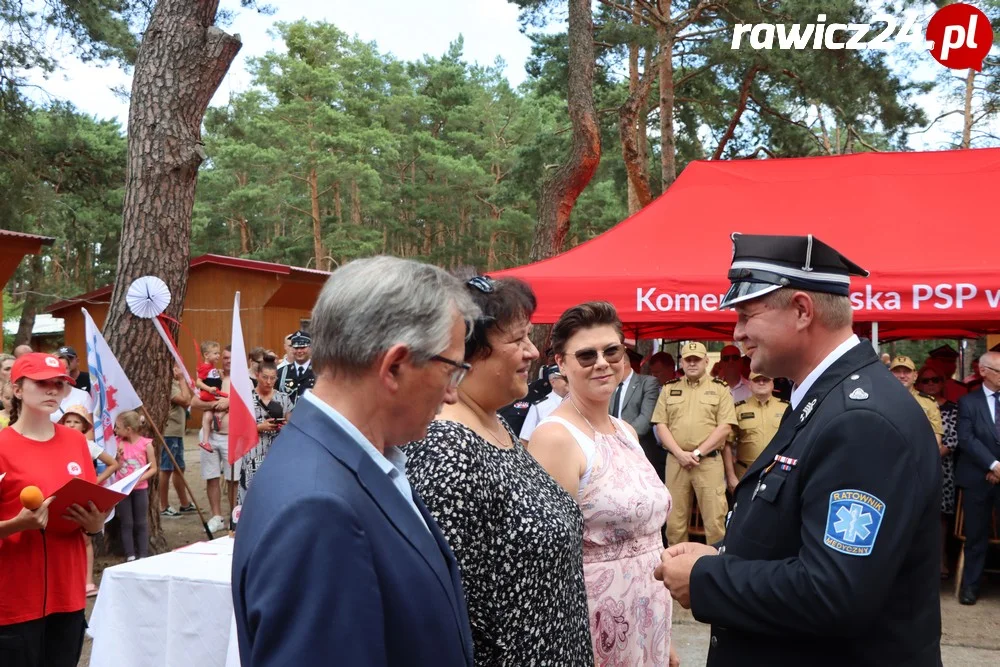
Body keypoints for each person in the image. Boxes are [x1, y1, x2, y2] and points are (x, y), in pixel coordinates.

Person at [655, 233, 942, 666]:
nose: (738, 334)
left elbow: (834, 592)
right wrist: (722, 554)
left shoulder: (859, 421)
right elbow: (796, 536)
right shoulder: (827, 398)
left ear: (803, 311)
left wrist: (707, 578)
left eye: (747, 314)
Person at [232, 256, 478, 667]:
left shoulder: (342, 463)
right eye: (452, 369)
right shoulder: (316, 508)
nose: (452, 394)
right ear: (395, 366)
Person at [403, 275, 593, 666]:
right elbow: (447, 611)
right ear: (466, 352)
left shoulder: (495, 424)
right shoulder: (447, 450)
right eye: (517, 340)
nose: (532, 353)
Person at [528, 302, 676, 667]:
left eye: (611, 351)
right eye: (586, 354)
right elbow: (550, 560)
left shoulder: (625, 431)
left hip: (651, 611)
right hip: (597, 622)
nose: (601, 362)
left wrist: (662, 635)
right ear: (561, 363)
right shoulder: (555, 438)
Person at [0, 353, 109, 667]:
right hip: (15, 598)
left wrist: (95, 524)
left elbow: (91, 509)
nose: (52, 390)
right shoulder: (3, 445)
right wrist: (17, 524)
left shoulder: (76, 442)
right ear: (17, 389)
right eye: (42, 382)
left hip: (68, 593)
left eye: (59, 383)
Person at [652, 341, 736, 546]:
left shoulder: (720, 389)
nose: (692, 363)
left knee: (715, 520)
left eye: (696, 359)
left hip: (707, 462)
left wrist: (697, 453)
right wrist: (679, 453)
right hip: (676, 461)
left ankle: (714, 568)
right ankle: (676, 568)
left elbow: (725, 427)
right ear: (681, 362)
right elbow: (661, 425)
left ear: (706, 361)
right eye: (688, 359)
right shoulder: (669, 389)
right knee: (674, 522)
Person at [58, 405, 119, 597]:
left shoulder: (88, 445)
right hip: (63, 496)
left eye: (76, 422)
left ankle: (87, 582)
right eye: (68, 421)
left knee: (85, 539)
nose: (71, 425)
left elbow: (113, 463)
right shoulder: (56, 443)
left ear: (84, 426)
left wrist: (95, 481)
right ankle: (67, 582)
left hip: (84, 497)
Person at [955, 351, 1000, 606]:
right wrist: (992, 465)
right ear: (984, 371)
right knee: (975, 536)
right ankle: (970, 587)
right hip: (977, 478)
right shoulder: (968, 402)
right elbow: (966, 438)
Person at [915, 365, 959, 579]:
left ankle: (941, 559)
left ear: (943, 383)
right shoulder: (912, 404)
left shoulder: (953, 408)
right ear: (918, 383)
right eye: (926, 381)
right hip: (914, 469)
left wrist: (926, 458)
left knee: (941, 518)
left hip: (943, 469)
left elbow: (951, 441)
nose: (931, 384)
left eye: (935, 380)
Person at [237, 360, 292, 507]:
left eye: (272, 378)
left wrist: (284, 426)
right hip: (252, 453)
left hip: (276, 453)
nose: (269, 382)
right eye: (265, 377)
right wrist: (260, 427)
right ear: (257, 375)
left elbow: (292, 425)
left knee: (275, 491)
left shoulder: (283, 398)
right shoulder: (246, 399)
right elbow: (238, 428)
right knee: (250, 492)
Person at [191, 347, 234, 534]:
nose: (227, 361)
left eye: (231, 358)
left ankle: (234, 516)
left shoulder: (242, 380)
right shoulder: (211, 375)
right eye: (224, 357)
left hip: (230, 436)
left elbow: (249, 402)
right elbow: (194, 402)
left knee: (233, 478)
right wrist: (215, 404)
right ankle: (217, 517)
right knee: (212, 476)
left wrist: (230, 402)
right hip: (210, 435)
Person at [725, 371, 786, 492]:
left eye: (766, 380)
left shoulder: (786, 408)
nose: (761, 382)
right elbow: (727, 444)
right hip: (745, 473)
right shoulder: (738, 408)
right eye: (757, 380)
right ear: (749, 384)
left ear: (773, 384)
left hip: (777, 472)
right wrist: (731, 476)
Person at [611, 347, 664, 482]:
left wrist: (621, 437)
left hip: (639, 447)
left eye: (612, 365)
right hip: (611, 451)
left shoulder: (647, 382)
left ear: (623, 364)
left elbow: (646, 419)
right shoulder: (609, 385)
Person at [113, 410, 157, 561]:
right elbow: (116, 467)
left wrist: (139, 479)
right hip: (123, 489)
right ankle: (130, 554)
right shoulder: (117, 443)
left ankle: (143, 554)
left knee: (141, 521)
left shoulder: (146, 444)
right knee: (127, 522)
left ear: (129, 429)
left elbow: (153, 468)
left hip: (140, 489)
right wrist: (117, 458)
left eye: (118, 427)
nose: (115, 430)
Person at [159, 366, 195, 518]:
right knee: (166, 469)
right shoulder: (168, 383)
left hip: (177, 432)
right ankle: (163, 505)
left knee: (179, 468)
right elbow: (186, 400)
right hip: (169, 432)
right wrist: (181, 379)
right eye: (175, 366)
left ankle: (184, 503)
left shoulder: (176, 382)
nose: (179, 369)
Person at [889, 355, 943, 447]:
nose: (902, 376)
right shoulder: (880, 400)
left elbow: (936, 437)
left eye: (907, 372)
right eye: (897, 372)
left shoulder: (929, 402)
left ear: (915, 376)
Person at [518, 365, 568, 442]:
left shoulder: (581, 403)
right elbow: (525, 440)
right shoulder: (540, 407)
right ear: (553, 382)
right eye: (566, 379)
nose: (570, 382)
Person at [196, 340, 226, 453]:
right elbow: (198, 382)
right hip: (210, 394)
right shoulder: (205, 367)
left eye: (218, 353)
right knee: (229, 401)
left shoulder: (212, 368)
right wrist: (209, 389)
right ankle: (219, 416)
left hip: (212, 393)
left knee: (208, 415)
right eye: (215, 353)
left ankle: (205, 441)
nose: (218, 355)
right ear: (206, 355)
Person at [275, 331, 315, 406]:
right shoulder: (281, 372)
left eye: (303, 347)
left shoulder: (319, 372)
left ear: (310, 348)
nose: (299, 351)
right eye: (296, 347)